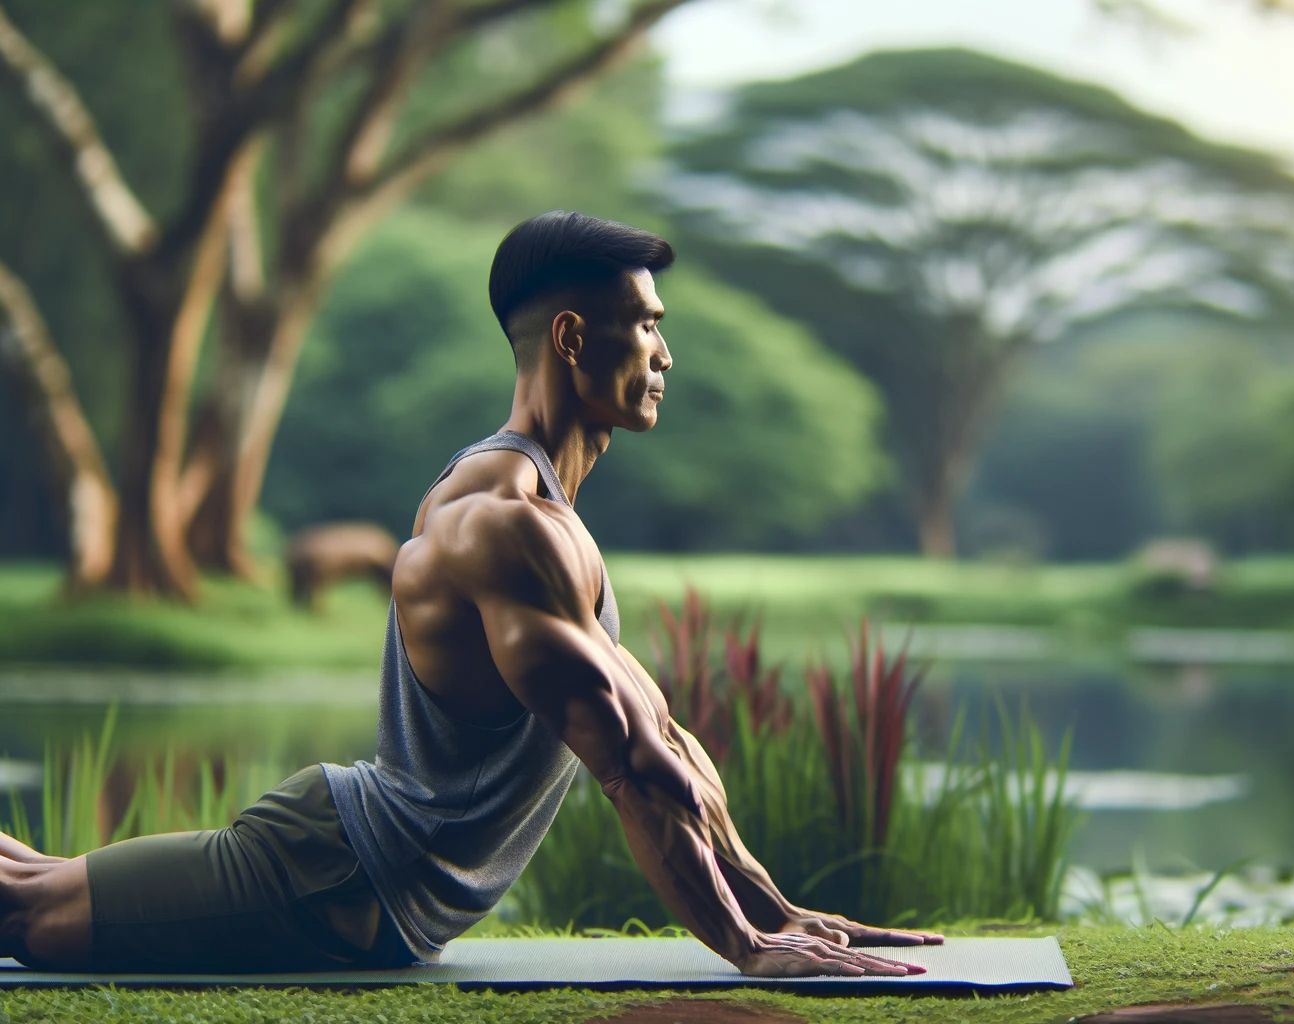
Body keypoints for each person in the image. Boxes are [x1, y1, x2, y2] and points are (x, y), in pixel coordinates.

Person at [0, 212, 939, 977]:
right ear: (573, 336)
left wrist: (781, 911)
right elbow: (625, 768)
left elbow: (668, 745)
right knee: (33, 918)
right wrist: (748, 950)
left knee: (26, 874)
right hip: (334, 875)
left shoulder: (551, 518)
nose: (664, 352)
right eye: (647, 323)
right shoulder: (501, 523)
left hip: (357, 878)